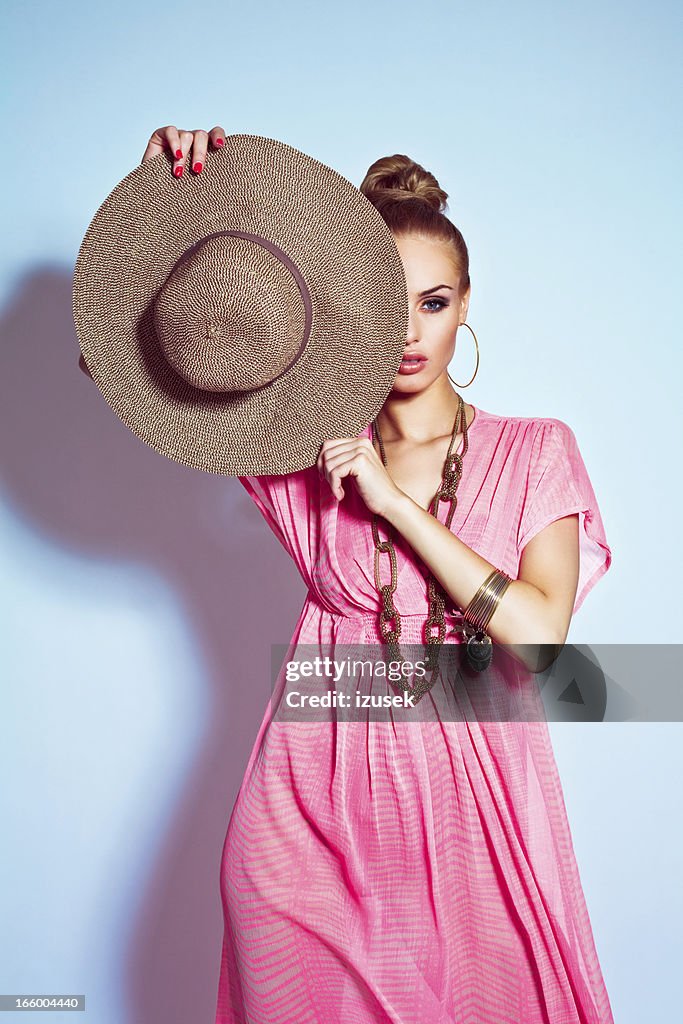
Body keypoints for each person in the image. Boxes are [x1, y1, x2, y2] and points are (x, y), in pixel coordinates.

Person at [87, 125, 614, 1022]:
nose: (410, 334)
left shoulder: (533, 452)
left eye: (435, 302)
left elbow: (542, 638)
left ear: (467, 304)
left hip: (471, 816)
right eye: (387, 308)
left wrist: (395, 507)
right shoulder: (297, 453)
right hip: (306, 812)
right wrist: (165, 200)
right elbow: (155, 360)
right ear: (346, 315)